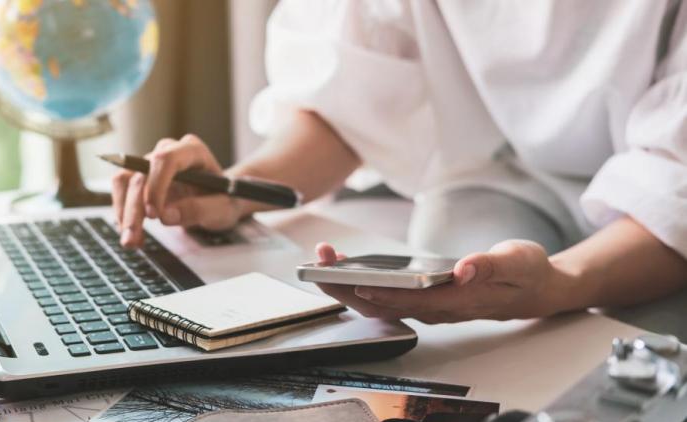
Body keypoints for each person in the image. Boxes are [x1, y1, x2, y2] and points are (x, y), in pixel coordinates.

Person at [111, 0, 687, 324]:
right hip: (495, 180)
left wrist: (562, 284)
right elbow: (347, 105)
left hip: (663, 220)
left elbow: (674, 191)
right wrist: (233, 191)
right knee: (454, 336)